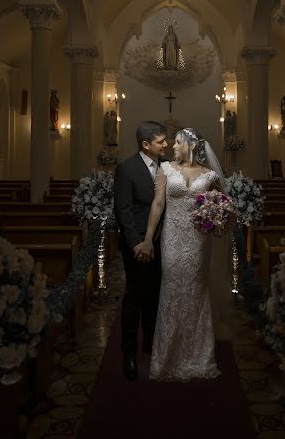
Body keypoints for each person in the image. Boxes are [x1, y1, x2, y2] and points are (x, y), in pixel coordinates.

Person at [138, 128, 232, 381]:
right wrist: (148, 239)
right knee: (172, 289)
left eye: (178, 142)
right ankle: (168, 357)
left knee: (196, 290)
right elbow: (158, 204)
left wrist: (217, 217)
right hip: (172, 238)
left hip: (198, 240)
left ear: (191, 145)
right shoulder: (165, 169)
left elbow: (220, 203)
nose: (173, 146)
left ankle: (198, 357)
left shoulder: (209, 174)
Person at [114, 121, 167, 381]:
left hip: (161, 242)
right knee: (135, 295)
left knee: (155, 293)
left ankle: (150, 341)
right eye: (161, 141)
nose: (166, 145)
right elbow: (123, 210)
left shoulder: (165, 167)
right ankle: (129, 353)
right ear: (145, 145)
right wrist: (137, 244)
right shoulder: (127, 168)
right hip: (136, 245)